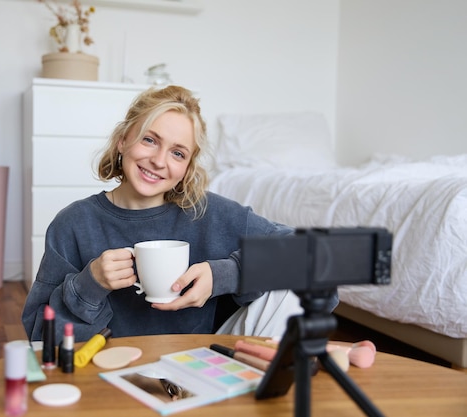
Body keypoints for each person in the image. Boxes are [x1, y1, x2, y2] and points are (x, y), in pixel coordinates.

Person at [22, 85, 313, 343]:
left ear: (187, 167)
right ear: (123, 140)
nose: (159, 161)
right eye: (150, 140)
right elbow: (38, 336)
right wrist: (90, 284)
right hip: (109, 368)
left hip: (204, 361)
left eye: (178, 153)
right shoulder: (74, 224)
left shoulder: (211, 213)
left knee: (293, 286)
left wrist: (224, 275)